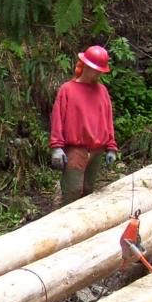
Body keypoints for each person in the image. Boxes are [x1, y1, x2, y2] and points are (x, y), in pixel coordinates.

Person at [49, 45, 119, 206]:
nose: (98, 73)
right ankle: (65, 223)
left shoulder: (102, 91)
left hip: (97, 149)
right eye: (96, 69)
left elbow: (107, 120)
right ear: (85, 66)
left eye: (101, 70)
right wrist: (56, 147)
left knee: (88, 190)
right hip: (75, 149)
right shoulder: (67, 90)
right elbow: (57, 119)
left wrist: (111, 146)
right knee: (72, 190)